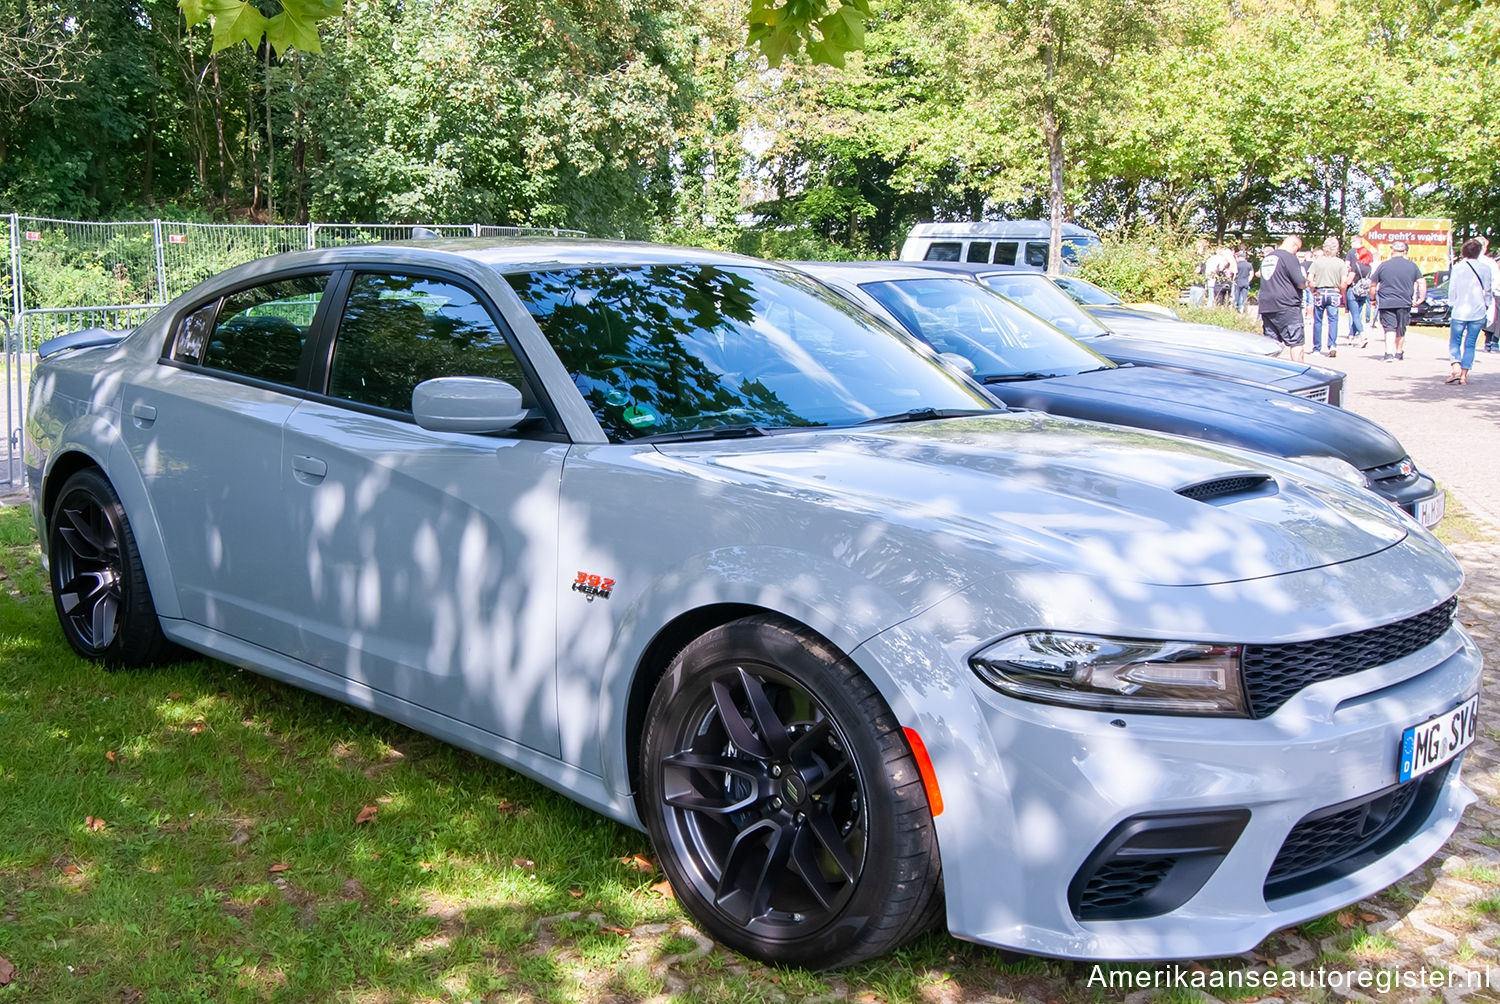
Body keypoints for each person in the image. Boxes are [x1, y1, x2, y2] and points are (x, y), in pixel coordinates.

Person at [1369, 240, 1426, 361]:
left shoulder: (1383, 265)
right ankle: (1398, 353)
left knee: (1389, 327)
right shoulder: (1412, 265)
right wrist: (1421, 298)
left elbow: (1373, 284)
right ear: (1405, 251)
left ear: (1392, 251)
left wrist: (1372, 299)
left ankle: (1389, 353)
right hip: (1404, 301)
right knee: (1401, 328)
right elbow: (1421, 282)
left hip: (1387, 301)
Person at [1446, 238, 1492, 385]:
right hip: (1478, 311)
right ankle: (1464, 375)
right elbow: (1488, 290)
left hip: (1460, 311)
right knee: (1470, 344)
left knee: (1455, 341)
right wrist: (1487, 305)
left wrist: (1451, 303)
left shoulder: (1458, 268)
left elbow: (1452, 289)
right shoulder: (1485, 268)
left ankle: (1456, 367)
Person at [1258, 236, 1309, 361]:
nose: (1296, 252)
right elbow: (1300, 283)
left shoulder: (1268, 258)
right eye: (1297, 249)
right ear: (1294, 245)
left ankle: (1269, 373)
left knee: (1271, 344)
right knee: (1296, 343)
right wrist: (1307, 282)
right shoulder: (1289, 257)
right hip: (1287, 305)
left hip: (1267, 305)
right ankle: (1299, 374)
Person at [1307, 236, 1346, 355]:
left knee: (1318, 321)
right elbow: (1343, 282)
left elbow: (1310, 279)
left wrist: (1313, 290)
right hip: (1334, 292)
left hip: (1319, 291)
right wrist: (1342, 294)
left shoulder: (1317, 262)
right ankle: (1332, 345)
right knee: (1333, 320)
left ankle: (1317, 348)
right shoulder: (1340, 263)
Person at [1344, 239, 1374, 349]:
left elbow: (1349, 280)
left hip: (1353, 291)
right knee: (1358, 315)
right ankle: (1351, 337)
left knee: (1354, 316)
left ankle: (1363, 336)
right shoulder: (1369, 267)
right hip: (1363, 292)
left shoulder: (1356, 266)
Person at [1478, 235, 1500, 353]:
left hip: (1472, 295)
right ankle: (1492, 342)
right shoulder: (1490, 263)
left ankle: (1485, 341)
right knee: (1493, 317)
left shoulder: (1465, 262)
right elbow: (1496, 279)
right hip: (1490, 293)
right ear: (1485, 247)